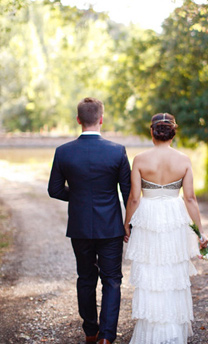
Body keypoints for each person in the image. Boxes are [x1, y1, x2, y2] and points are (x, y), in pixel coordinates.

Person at [48, 97, 131, 344]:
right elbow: (128, 193)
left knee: (85, 278)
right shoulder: (117, 151)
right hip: (111, 227)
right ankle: (107, 336)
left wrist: (78, 197)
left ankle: (90, 332)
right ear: (101, 119)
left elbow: (54, 189)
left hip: (80, 226)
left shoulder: (63, 152)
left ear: (78, 120)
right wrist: (129, 224)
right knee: (112, 280)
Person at [123, 112, 208, 344]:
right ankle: (171, 334)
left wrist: (127, 223)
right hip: (173, 216)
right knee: (171, 270)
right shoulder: (183, 160)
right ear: (173, 132)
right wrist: (201, 232)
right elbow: (190, 198)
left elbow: (134, 198)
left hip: (148, 216)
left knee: (151, 271)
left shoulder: (140, 159)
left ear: (152, 132)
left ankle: (151, 333)